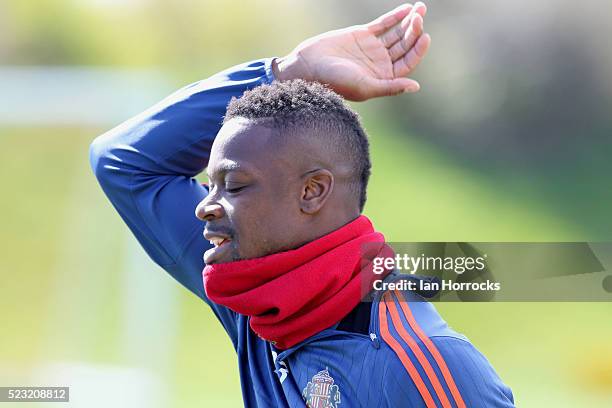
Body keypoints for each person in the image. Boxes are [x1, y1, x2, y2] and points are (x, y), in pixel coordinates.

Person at [90, 3, 515, 407]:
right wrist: (288, 72)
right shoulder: (254, 301)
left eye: (234, 186)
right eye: (210, 186)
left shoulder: (420, 364)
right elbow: (124, 162)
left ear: (312, 192)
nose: (205, 206)